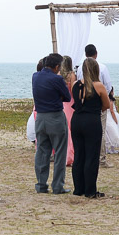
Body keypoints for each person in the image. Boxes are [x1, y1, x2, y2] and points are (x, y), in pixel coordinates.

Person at [71, 58, 113, 198]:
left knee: (79, 155)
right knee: (91, 156)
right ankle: (90, 190)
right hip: (92, 121)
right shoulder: (98, 86)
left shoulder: (75, 84)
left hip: (77, 120)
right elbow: (106, 105)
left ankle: (79, 188)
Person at [31, 53, 71, 194]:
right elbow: (67, 97)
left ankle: (41, 184)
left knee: (42, 152)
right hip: (55, 116)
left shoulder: (35, 76)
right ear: (57, 66)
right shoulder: (57, 79)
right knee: (60, 152)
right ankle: (58, 186)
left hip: (40, 116)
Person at [84, 44, 115, 168]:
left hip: (85, 104)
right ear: (96, 54)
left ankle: (89, 156)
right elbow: (108, 86)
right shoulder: (102, 67)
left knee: (87, 131)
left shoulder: (81, 68)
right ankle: (101, 159)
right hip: (99, 103)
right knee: (100, 131)